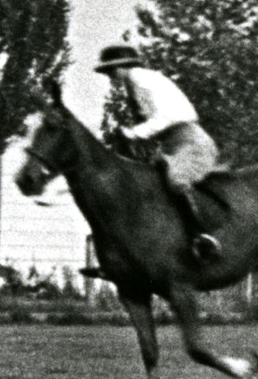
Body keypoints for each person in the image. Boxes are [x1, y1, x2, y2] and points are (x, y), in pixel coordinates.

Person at [95, 42, 224, 262]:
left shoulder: (142, 80)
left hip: (191, 143)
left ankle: (203, 237)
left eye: (111, 70)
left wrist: (134, 133)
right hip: (171, 145)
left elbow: (167, 116)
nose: (110, 76)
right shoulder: (134, 84)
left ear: (123, 66)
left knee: (176, 180)